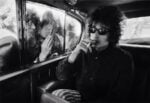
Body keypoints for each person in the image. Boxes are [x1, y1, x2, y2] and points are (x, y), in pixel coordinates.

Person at [41, 5, 134, 103]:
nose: (95, 35)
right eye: (92, 29)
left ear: (112, 34)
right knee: (50, 97)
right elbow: (61, 75)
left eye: (102, 31)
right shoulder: (83, 51)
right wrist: (74, 54)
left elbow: (118, 98)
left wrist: (83, 99)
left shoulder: (124, 59)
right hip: (76, 98)